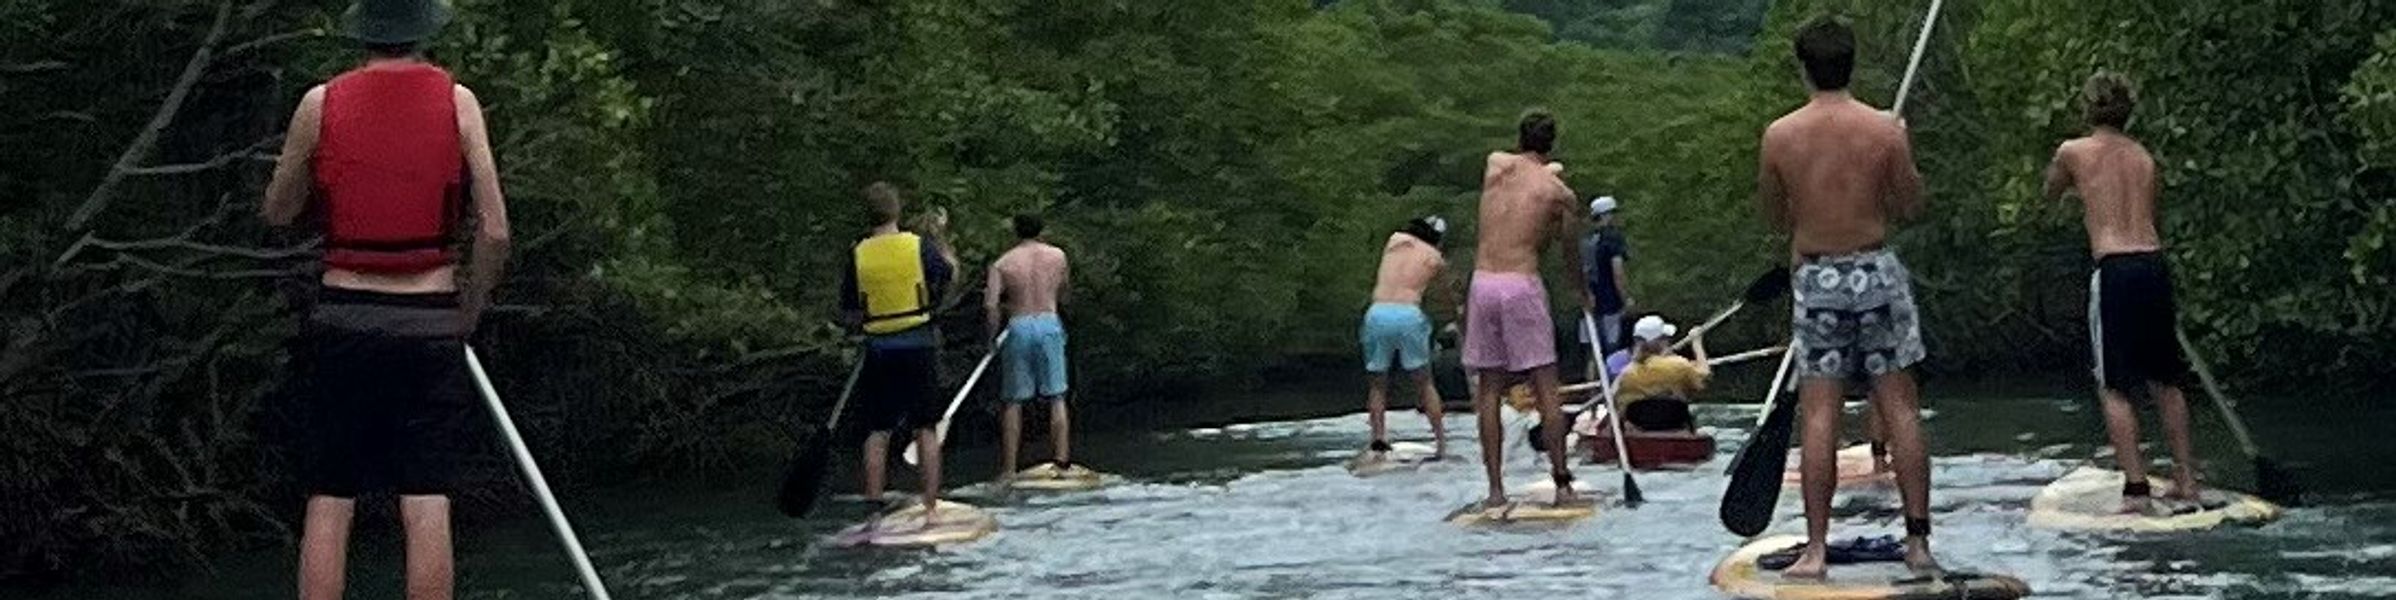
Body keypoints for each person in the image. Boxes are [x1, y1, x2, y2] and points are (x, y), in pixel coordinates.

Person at [260, 1, 506, 597]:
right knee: (425, 498)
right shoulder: (459, 102)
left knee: (331, 495)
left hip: (345, 317)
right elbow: (495, 231)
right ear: (425, 34)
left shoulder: (320, 104)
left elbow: (279, 210)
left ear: (362, 36)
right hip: (429, 321)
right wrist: (465, 310)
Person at [1755, 16, 1937, 578]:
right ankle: (1918, 544)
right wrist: (1892, 150)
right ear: (1851, 63)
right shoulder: (1884, 129)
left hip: (1818, 275)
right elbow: (1911, 205)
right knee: (1900, 408)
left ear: (1802, 67)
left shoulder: (1780, 135)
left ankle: (1815, 549)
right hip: (1875, 269)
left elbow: (1774, 217)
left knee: (1820, 416)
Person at [2044, 72, 2208, 515]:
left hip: (2114, 268)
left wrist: (2074, 191)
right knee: (2166, 380)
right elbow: (2150, 212)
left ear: (2088, 109)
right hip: (2152, 264)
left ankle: (2136, 488)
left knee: (2113, 385)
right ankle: (2186, 478)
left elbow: (2051, 190)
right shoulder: (2143, 158)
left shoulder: (2073, 152)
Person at [1466, 110, 1591, 508]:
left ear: (1519, 137)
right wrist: (1580, 291)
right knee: (1544, 385)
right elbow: (1569, 249)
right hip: (1520, 283)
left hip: (1483, 282)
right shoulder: (1559, 194)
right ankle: (1561, 482)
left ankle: (1495, 489)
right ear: (1552, 143)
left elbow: (1520, 168)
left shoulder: (1495, 165)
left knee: (1489, 387)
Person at [840, 182, 959, 517]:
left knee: (877, 430)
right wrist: (944, 246)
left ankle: (874, 505)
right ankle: (930, 505)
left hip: (879, 348)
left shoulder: (858, 253)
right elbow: (946, 276)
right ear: (897, 211)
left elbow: (849, 309)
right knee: (925, 427)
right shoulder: (918, 246)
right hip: (918, 342)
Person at [986, 214, 1075, 479]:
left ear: (1016, 231)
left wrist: (992, 338)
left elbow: (990, 305)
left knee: (1013, 400)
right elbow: (1064, 289)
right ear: (1041, 229)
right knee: (1057, 396)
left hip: (1019, 325)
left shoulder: (1002, 263)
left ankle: (1010, 469)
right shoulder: (1058, 256)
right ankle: (1061, 461)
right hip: (1049, 322)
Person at [1360, 216, 1455, 458]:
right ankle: (1441, 442)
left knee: (1377, 383)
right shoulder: (1435, 259)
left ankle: (1378, 438)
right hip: (1409, 314)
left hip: (1377, 312)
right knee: (1424, 382)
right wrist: (1455, 316)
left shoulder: (1395, 240)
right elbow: (1445, 298)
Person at [1613, 316, 1711, 433]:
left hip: (1639, 431)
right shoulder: (1679, 365)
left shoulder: (1627, 373)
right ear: (1660, 341)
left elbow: (1616, 400)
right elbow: (1705, 376)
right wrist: (1696, 343)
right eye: (1665, 338)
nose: (1668, 341)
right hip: (1675, 427)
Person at [1581, 196, 1633, 360]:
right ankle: (1612, 384)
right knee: (1613, 350)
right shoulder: (1613, 238)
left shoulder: (1585, 241)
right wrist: (1626, 299)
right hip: (1610, 303)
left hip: (1588, 303)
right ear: (1606, 215)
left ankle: (1592, 384)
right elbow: (1617, 272)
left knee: (1593, 353)